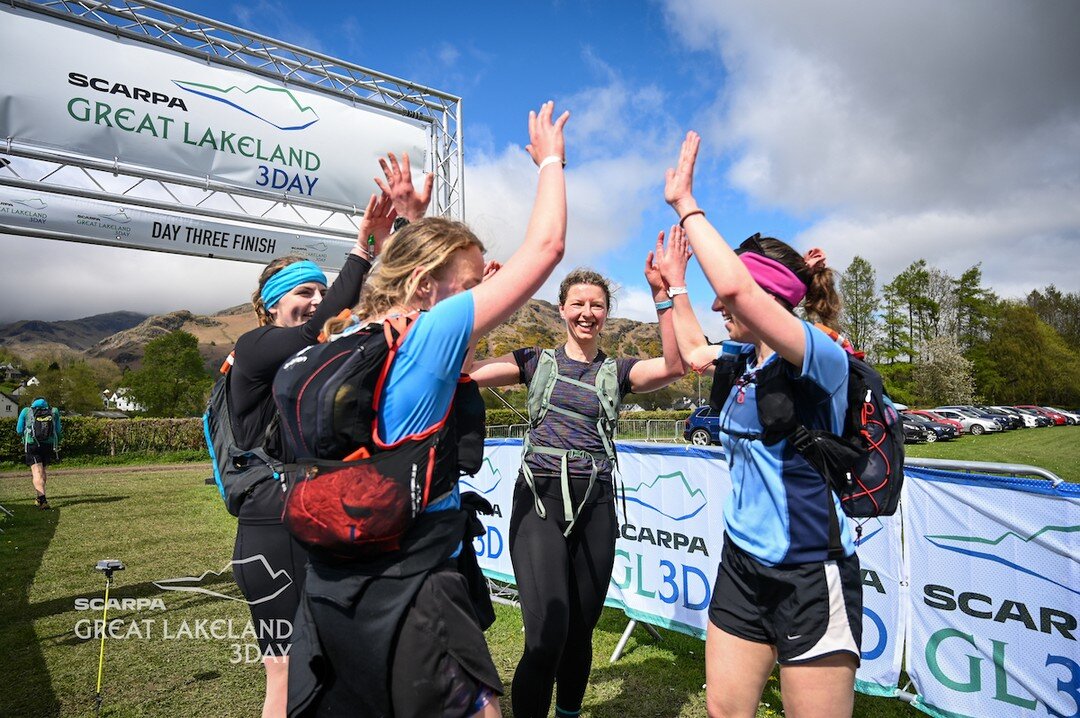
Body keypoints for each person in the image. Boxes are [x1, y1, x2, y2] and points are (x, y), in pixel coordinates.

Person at [280, 100, 570, 718]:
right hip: (413, 593)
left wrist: (410, 224)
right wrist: (549, 160)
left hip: (333, 587)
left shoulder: (344, 334)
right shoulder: (428, 337)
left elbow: (408, 273)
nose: (476, 298)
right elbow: (546, 248)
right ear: (425, 288)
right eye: (469, 286)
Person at [657, 131, 861, 718]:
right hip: (742, 563)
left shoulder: (820, 357)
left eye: (733, 305)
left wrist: (687, 205)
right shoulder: (743, 363)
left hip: (808, 572)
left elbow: (732, 288)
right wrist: (670, 288)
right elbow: (692, 348)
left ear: (766, 299)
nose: (720, 308)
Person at [228, 152, 432, 718]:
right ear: (273, 305)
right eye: (304, 293)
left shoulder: (313, 355)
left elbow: (372, 314)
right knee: (287, 672)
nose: (317, 302)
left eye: (322, 291)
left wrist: (400, 244)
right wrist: (361, 250)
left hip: (313, 511)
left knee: (330, 664)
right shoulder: (256, 348)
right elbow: (332, 319)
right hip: (272, 525)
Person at [467, 254, 686, 718]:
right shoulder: (534, 361)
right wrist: (481, 302)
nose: (588, 312)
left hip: (596, 504)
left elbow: (674, 366)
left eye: (597, 305)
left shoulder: (619, 371)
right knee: (546, 635)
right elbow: (466, 372)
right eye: (578, 303)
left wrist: (662, 297)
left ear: (606, 312)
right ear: (563, 310)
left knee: (580, 631)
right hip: (539, 504)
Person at [16, 397, 61, 510]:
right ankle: (39, 498)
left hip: (32, 444)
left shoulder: (26, 411)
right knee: (42, 470)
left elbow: (19, 430)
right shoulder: (54, 411)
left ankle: (43, 499)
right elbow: (58, 431)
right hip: (48, 445)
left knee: (37, 472)